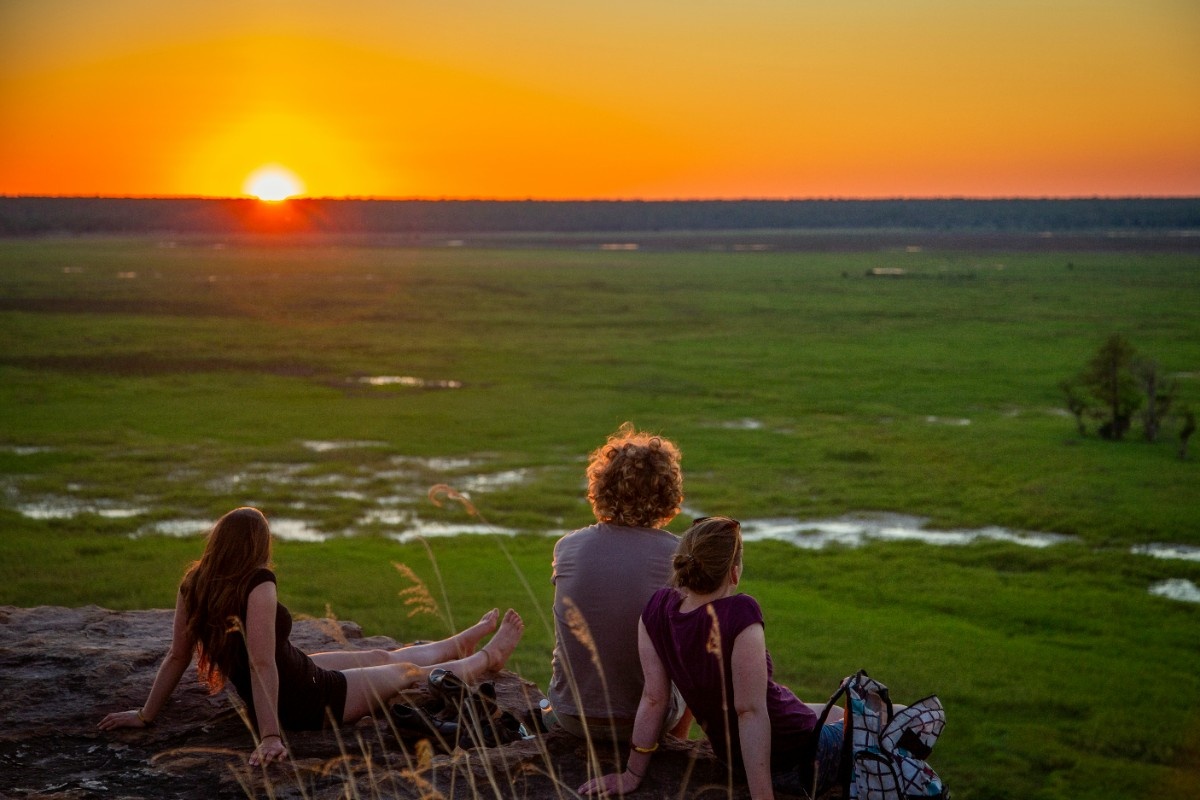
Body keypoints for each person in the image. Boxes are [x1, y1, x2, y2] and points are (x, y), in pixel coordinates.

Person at [99, 506, 524, 766]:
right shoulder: (257, 582)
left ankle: (460, 641)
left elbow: (177, 656)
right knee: (406, 672)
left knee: (379, 654)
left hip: (298, 672)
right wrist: (270, 737)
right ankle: (489, 659)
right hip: (308, 698)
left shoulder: (196, 581)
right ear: (255, 547)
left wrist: (146, 715)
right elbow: (260, 663)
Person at [579, 516, 845, 800]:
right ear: (733, 573)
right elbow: (749, 713)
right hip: (796, 757)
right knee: (882, 716)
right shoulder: (740, 613)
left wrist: (632, 774)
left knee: (837, 713)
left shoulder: (656, 609)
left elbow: (655, 698)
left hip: (736, 757)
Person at [547, 422, 690, 745]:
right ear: (667, 493)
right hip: (649, 722)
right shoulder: (678, 554)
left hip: (571, 715)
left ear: (601, 487)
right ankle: (678, 743)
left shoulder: (568, 546)